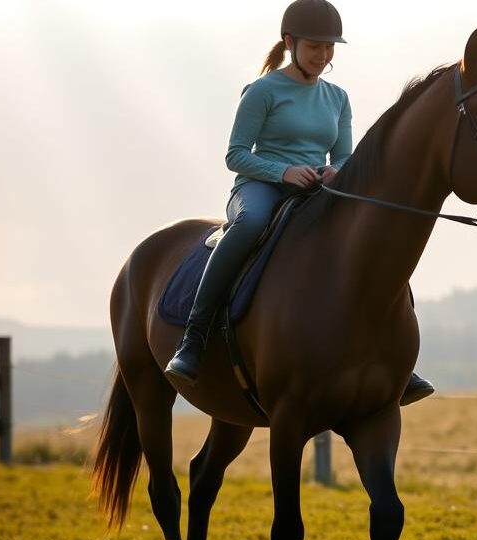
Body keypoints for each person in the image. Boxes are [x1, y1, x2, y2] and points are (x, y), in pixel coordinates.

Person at [165, 0, 434, 405]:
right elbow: (235, 154)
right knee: (251, 223)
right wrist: (284, 172)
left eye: (330, 49)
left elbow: (343, 155)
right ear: (290, 42)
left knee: (371, 236)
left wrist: (335, 172)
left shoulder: (337, 97)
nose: (323, 56)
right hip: (259, 187)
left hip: (318, 189)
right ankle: (194, 339)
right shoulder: (262, 91)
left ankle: (393, 354)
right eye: (314, 47)